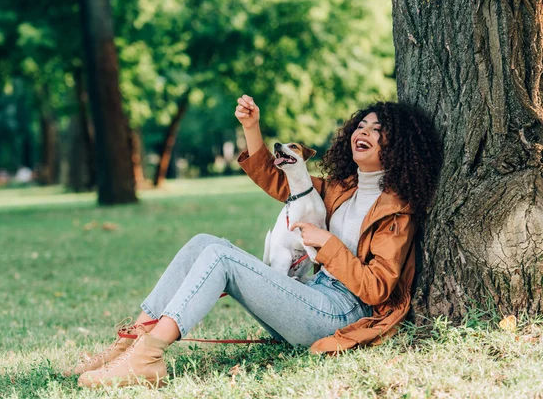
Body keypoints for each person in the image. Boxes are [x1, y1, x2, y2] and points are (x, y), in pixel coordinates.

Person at [70, 94, 441, 388]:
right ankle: (130, 344)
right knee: (204, 242)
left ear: (399, 147)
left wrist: (327, 243)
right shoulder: (342, 188)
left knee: (221, 257)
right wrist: (252, 127)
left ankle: (149, 357)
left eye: (378, 130)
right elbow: (283, 181)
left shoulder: (397, 211)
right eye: (362, 125)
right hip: (312, 298)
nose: (365, 132)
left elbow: (377, 289)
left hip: (343, 314)